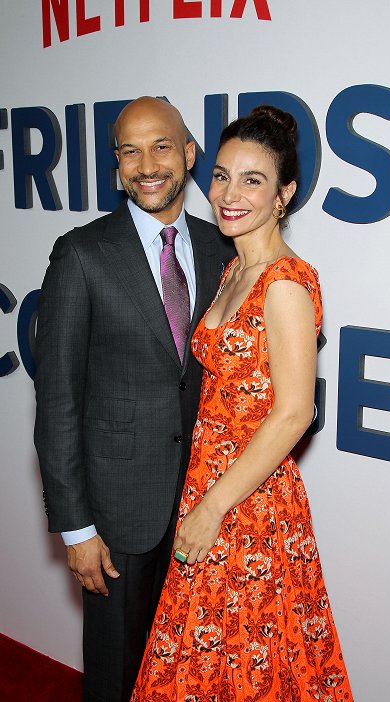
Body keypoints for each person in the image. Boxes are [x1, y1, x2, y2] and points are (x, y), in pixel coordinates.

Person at [131, 105, 353, 701]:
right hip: (213, 487)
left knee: (247, 663)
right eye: (223, 174)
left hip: (249, 506)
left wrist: (212, 509)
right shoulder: (235, 269)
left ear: (284, 195)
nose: (229, 193)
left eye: (252, 180)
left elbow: (293, 413)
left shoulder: (284, 283)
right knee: (207, 663)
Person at [34, 96, 234, 702]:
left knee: (190, 668)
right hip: (118, 514)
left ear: (189, 154)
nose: (146, 164)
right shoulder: (82, 253)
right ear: (116, 163)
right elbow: (57, 404)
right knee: (117, 673)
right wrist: (75, 530)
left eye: (161, 146)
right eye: (129, 150)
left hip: (205, 505)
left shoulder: (222, 247)